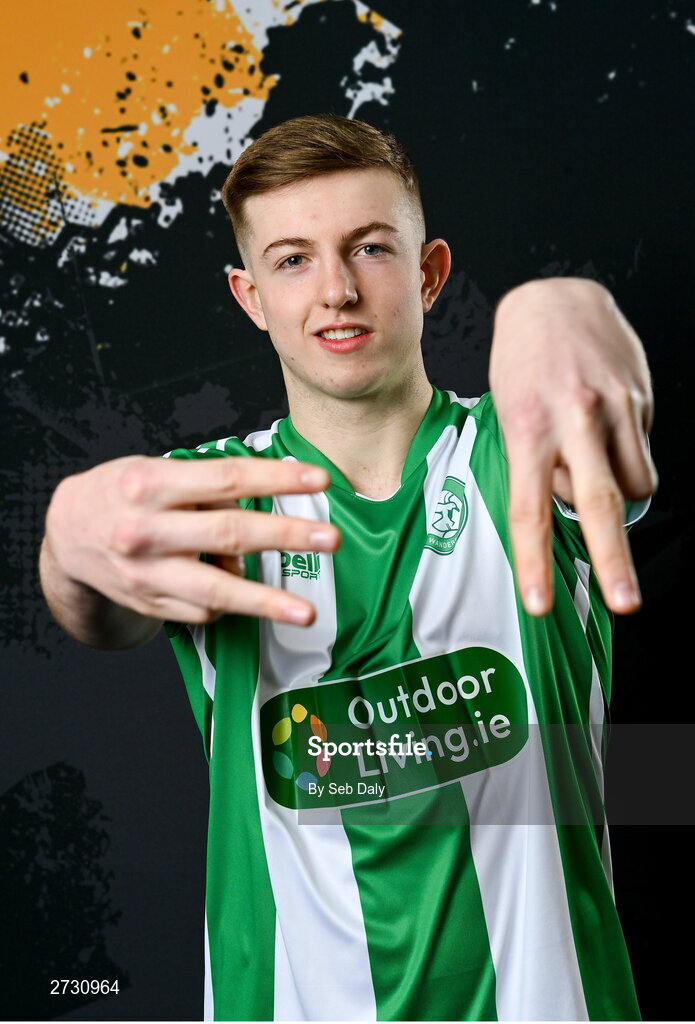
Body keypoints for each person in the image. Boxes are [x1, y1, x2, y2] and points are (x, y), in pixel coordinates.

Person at [40, 114, 656, 1021]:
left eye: (369, 249)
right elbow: (99, 604)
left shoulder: (519, 450)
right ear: (250, 297)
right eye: (293, 260)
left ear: (428, 271)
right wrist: (67, 542)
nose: (335, 290)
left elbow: (589, 425)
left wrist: (564, 305)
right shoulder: (210, 498)